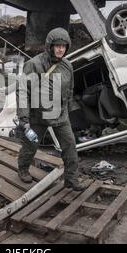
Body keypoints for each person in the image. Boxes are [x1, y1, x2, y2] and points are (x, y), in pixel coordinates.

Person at [16, 27, 85, 191]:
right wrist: (23, 117)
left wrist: (69, 111)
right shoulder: (33, 64)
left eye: (64, 46)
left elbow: (69, 90)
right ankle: (23, 168)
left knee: (70, 146)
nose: (61, 49)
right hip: (37, 116)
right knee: (30, 144)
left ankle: (71, 179)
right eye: (57, 46)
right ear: (50, 46)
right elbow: (23, 91)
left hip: (60, 115)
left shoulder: (67, 66)